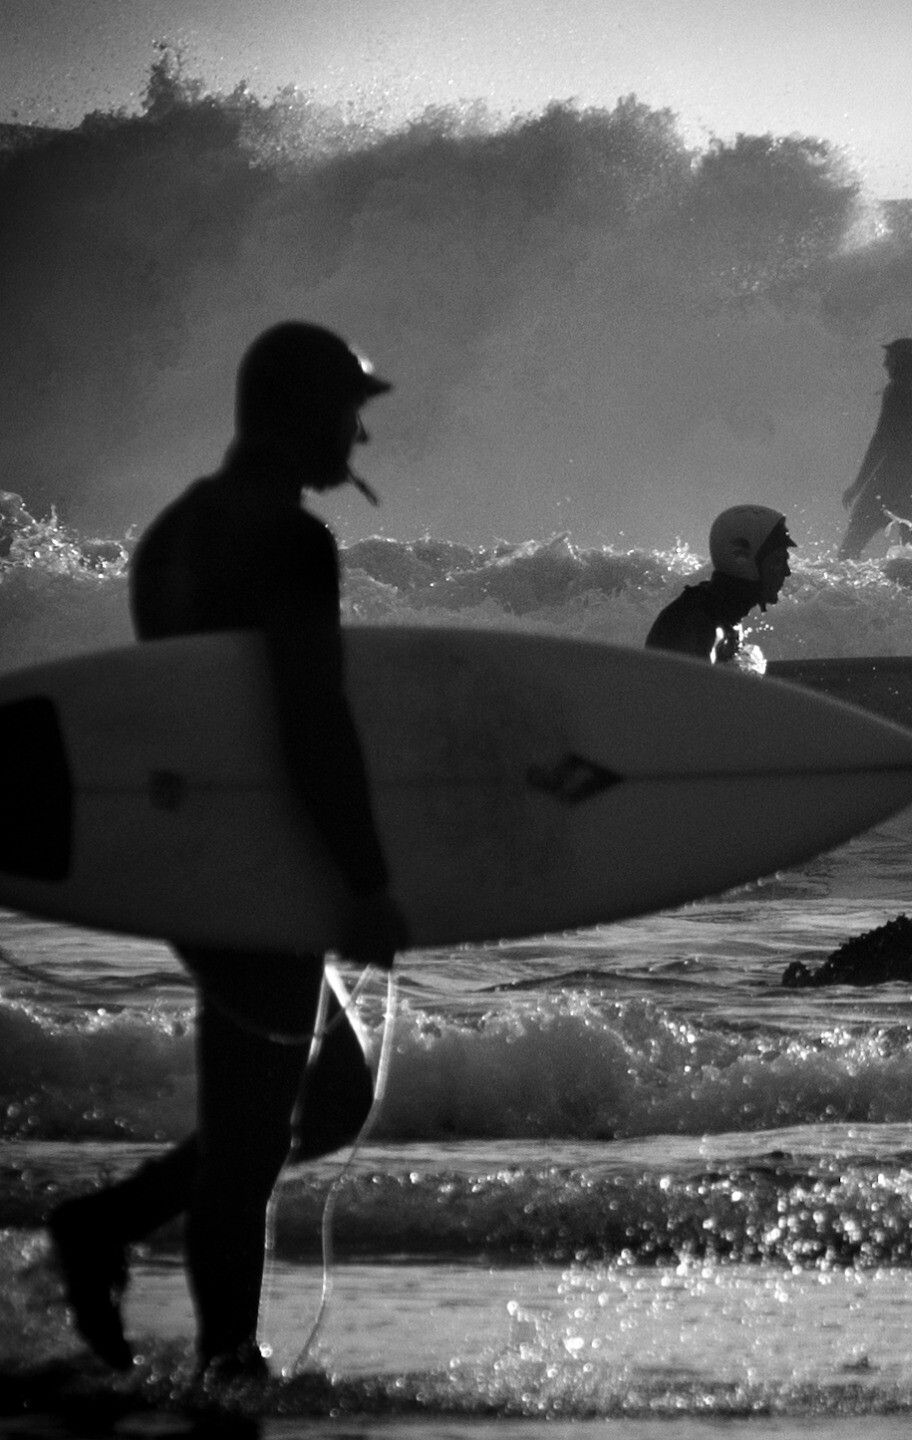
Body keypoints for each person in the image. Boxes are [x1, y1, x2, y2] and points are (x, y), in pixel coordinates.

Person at [46, 321, 408, 1383]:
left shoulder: (176, 531)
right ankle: (227, 1364)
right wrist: (366, 879)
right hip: (254, 860)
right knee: (251, 1136)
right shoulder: (287, 541)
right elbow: (308, 720)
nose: (359, 438)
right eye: (350, 413)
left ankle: (107, 1225)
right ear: (299, 415)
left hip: (192, 849)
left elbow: (189, 722)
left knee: (326, 1100)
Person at [645, 504, 794, 667]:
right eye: (777, 561)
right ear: (742, 560)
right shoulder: (697, 626)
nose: (786, 572)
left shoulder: (722, 614)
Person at [838, 337, 912, 560]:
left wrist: (858, 484)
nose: (885, 364)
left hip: (891, 476)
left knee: (850, 546)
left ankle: (843, 594)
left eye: (890, 359)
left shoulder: (898, 389)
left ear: (901, 362)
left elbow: (881, 440)